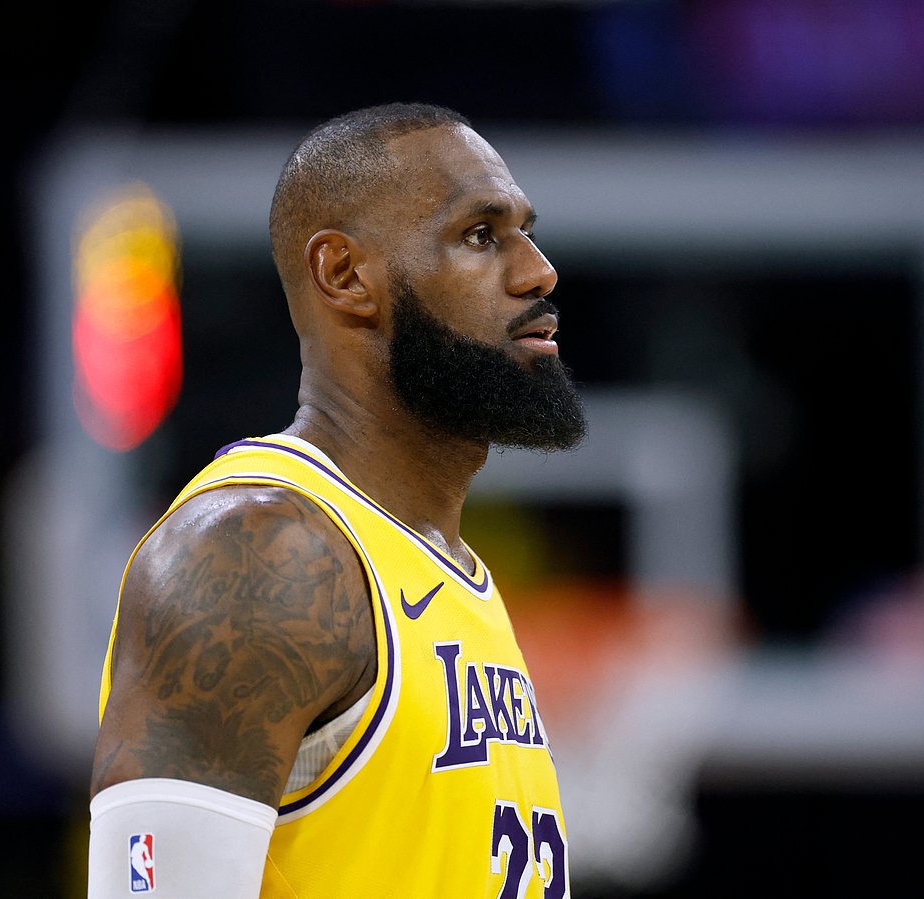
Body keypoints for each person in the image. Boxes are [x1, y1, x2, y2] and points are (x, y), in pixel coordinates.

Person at [87, 101, 587, 898]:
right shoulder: (260, 552)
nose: (537, 271)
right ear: (346, 276)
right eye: (481, 236)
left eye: (526, 232)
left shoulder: (445, 568)